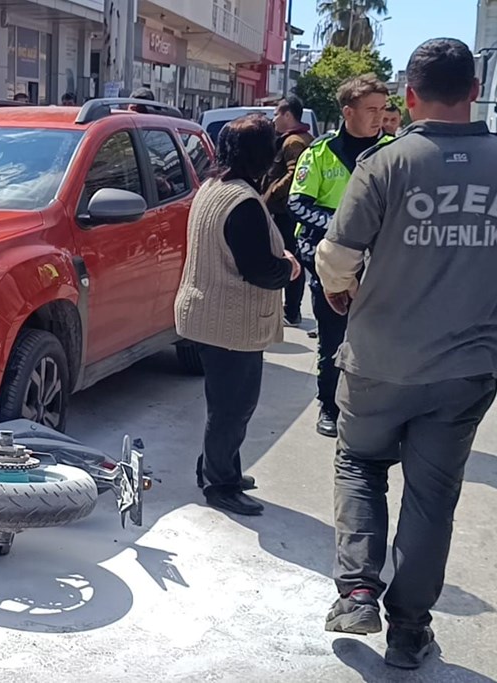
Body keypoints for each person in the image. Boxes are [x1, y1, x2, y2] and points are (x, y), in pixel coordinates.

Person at [316, 37, 497, 671]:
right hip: (467, 369)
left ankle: (358, 589)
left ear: (410, 97)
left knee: (359, 462)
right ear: (474, 90)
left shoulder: (386, 164)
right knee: (432, 497)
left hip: (377, 359)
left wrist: (341, 293)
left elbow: (336, 257)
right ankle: (409, 632)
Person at [174, 114, 302, 517]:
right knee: (233, 408)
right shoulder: (243, 201)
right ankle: (220, 484)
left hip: (207, 312)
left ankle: (217, 468)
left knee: (224, 405)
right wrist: (289, 267)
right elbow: (259, 269)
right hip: (228, 320)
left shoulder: (214, 186)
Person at [287, 74, 391, 438]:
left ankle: (368, 409)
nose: (380, 117)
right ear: (348, 112)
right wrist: (345, 228)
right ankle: (329, 406)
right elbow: (297, 204)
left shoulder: (393, 153)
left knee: (379, 339)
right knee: (332, 339)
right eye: (371, 110)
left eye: (383, 109)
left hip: (381, 264)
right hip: (328, 262)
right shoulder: (318, 153)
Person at [262, 94, 314, 327]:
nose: (273, 120)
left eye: (276, 115)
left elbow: (294, 175)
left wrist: (270, 194)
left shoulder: (293, 142)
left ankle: (291, 311)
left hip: (286, 212)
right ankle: (290, 310)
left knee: (288, 258)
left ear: (288, 115)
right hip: (290, 211)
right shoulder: (302, 137)